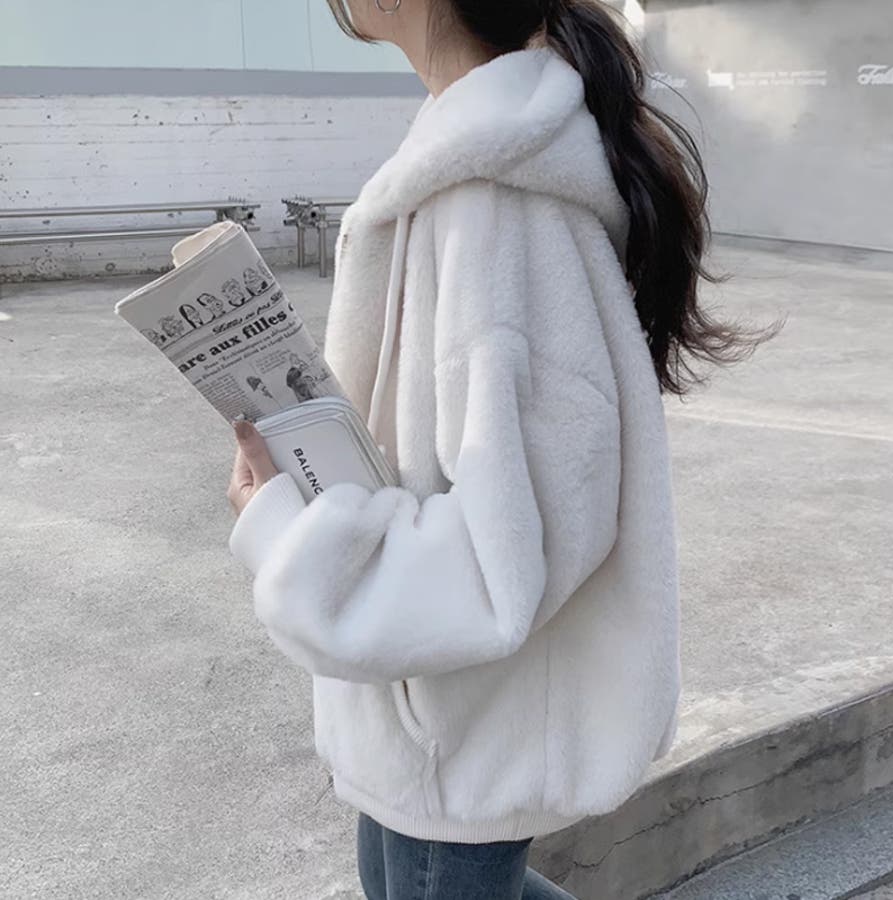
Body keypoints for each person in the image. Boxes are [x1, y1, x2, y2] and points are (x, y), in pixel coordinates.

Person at [226, 1, 782, 898]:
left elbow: (507, 552)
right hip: (428, 714)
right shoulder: (465, 168)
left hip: (462, 726)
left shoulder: (495, 209)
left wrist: (289, 536)